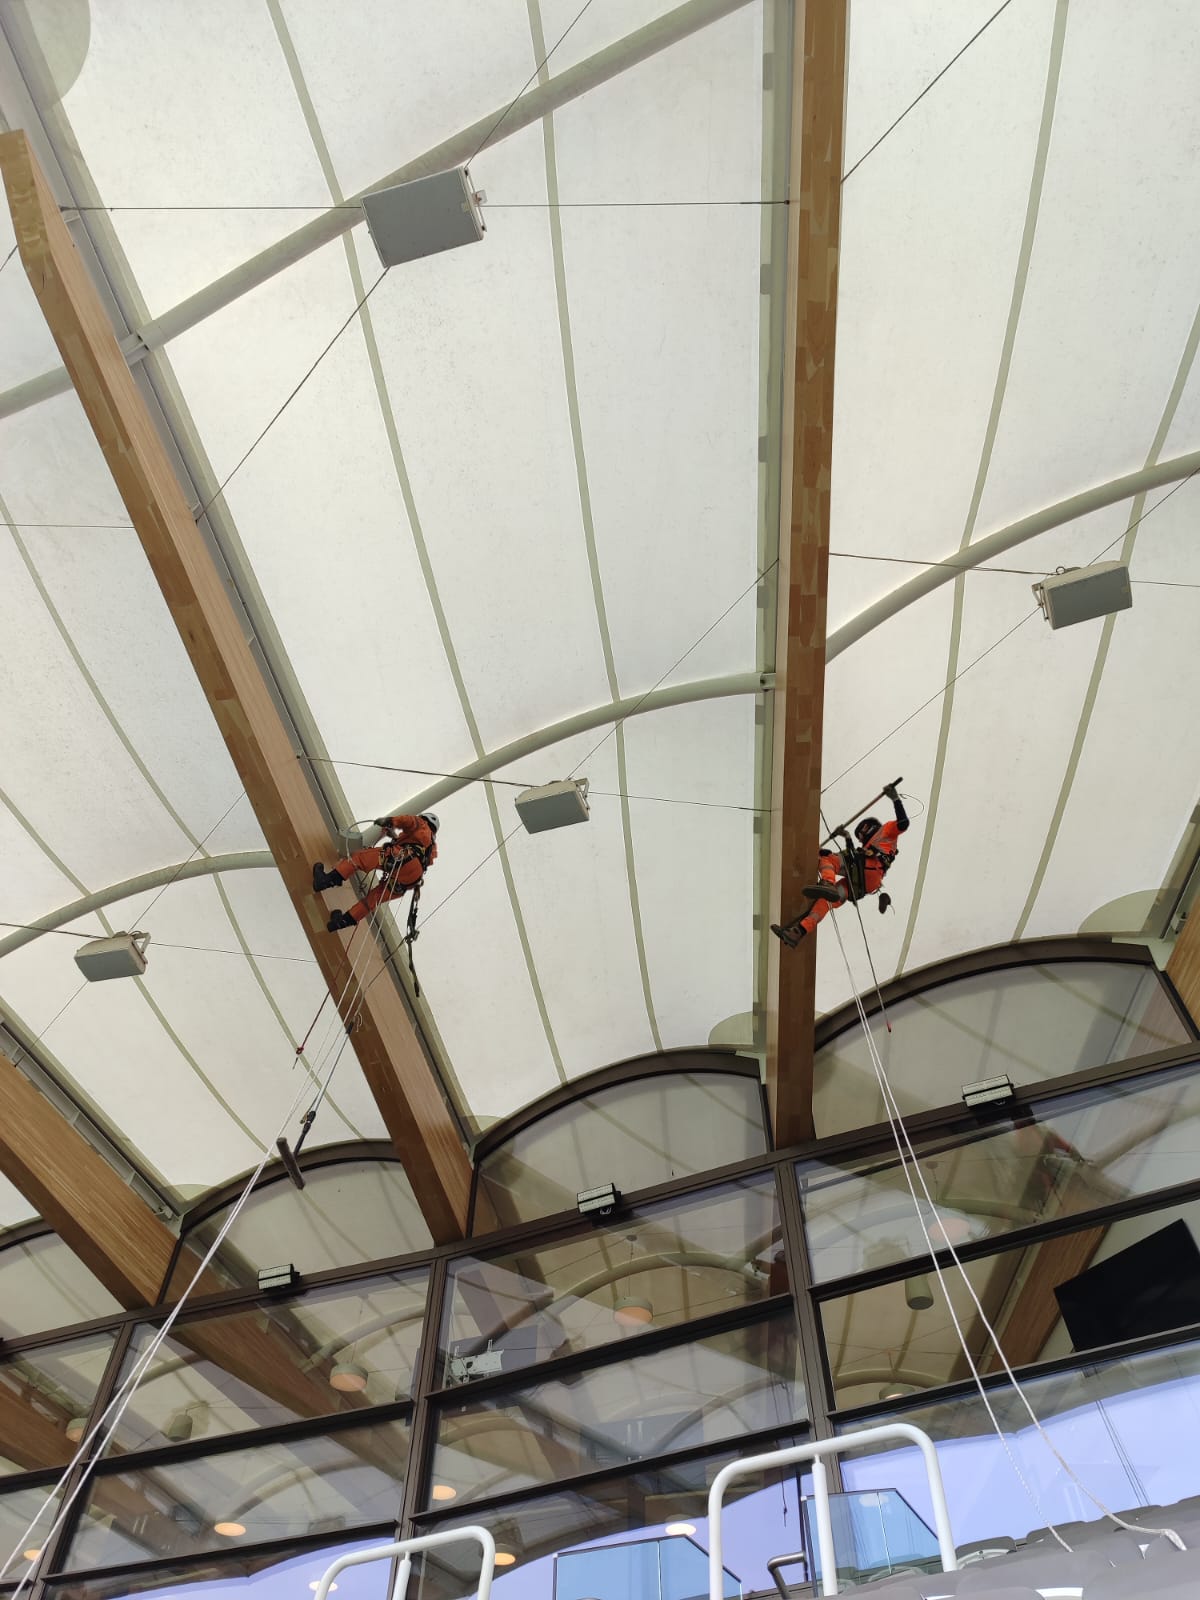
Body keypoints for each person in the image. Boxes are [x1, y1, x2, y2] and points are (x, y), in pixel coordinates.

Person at [771, 785, 909, 946]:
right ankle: (799, 931)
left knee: (828, 860)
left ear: (869, 827)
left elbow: (903, 823)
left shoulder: (886, 830)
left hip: (868, 868)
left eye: (861, 833)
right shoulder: (870, 845)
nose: (861, 837)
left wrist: (895, 799)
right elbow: (855, 857)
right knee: (826, 901)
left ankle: (827, 882)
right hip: (863, 883)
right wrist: (847, 836)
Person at [313, 813, 439, 932]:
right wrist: (393, 835)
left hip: (402, 858)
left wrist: (390, 821)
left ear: (425, 819)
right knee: (373, 899)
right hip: (411, 879)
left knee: (359, 858)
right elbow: (413, 850)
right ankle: (340, 922)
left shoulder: (422, 824)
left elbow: (408, 821)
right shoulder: (430, 848)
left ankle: (325, 881)